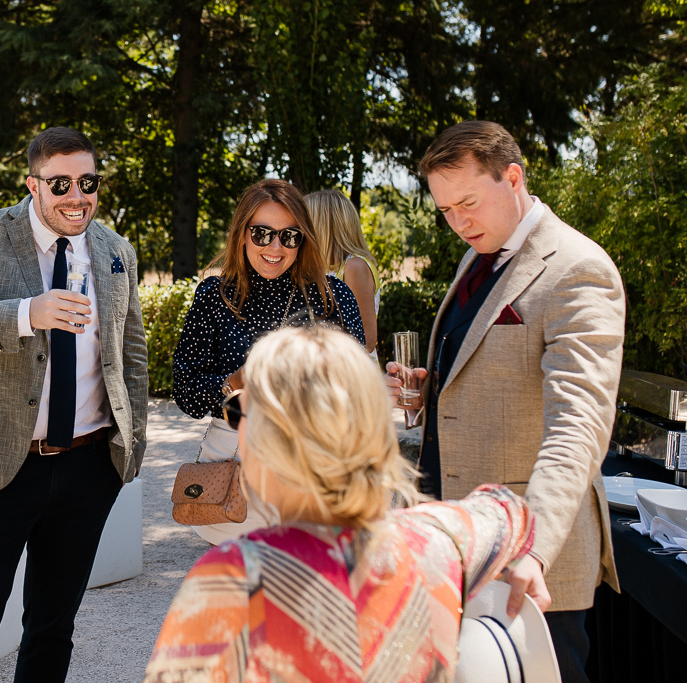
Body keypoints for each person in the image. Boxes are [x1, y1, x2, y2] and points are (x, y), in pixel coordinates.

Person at [144, 327, 546, 683]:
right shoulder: (440, 536)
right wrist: (532, 559)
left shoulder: (234, 576)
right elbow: (511, 508)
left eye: (239, 411)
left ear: (276, 438)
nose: (234, 424)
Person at [386, 120, 625, 683]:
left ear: (512, 177)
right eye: (445, 211)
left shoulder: (578, 269)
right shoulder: (479, 253)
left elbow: (578, 424)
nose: (457, 222)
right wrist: (427, 392)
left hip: (527, 560)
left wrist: (533, 549)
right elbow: (484, 373)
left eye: (467, 202)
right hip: (456, 539)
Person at [0, 125, 148, 683]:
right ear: (33, 184)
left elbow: (130, 351)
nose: (77, 195)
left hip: (88, 467)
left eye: (87, 181)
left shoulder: (116, 251)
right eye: (61, 183)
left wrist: (129, 448)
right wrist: (25, 314)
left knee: (51, 630)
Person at [172, 178, 365, 544]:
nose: (275, 247)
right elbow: (185, 391)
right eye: (262, 234)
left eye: (289, 236)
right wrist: (232, 383)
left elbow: (357, 391)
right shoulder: (215, 297)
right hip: (239, 466)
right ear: (242, 234)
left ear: (303, 239)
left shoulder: (331, 296)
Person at [305, 188, 380, 354]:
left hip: (352, 373)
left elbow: (366, 340)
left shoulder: (354, 267)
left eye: (304, 224)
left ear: (321, 228)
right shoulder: (323, 270)